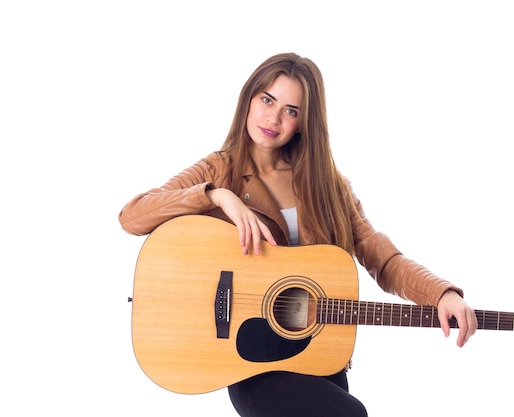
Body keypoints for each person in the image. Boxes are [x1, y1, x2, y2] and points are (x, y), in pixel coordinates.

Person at [119, 52, 478, 417]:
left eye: (291, 110)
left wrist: (441, 293)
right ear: (249, 99)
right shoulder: (220, 168)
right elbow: (133, 216)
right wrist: (216, 195)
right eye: (267, 100)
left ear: (305, 122)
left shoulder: (331, 188)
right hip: (251, 362)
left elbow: (382, 260)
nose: (274, 118)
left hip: (314, 352)